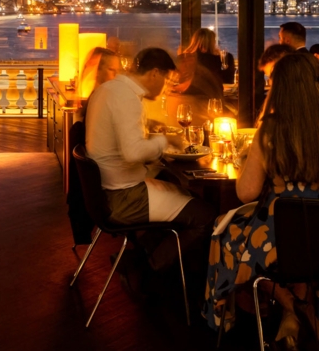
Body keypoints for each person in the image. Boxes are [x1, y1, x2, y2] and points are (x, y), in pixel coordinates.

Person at [204, 53, 319, 346]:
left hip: (272, 239)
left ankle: (283, 302)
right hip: (316, 238)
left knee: (224, 231)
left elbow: (246, 193)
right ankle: (298, 309)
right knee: (302, 248)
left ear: (279, 87)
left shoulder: (270, 131)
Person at [85, 47, 215, 276]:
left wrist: (154, 135)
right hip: (123, 198)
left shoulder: (109, 89)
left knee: (187, 195)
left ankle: (146, 259)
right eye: (166, 80)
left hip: (106, 191)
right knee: (206, 215)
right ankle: (148, 269)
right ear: (155, 73)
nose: (166, 87)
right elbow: (133, 152)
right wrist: (166, 141)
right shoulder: (126, 98)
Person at [175, 28, 224, 100]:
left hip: (186, 99)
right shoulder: (215, 59)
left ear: (194, 41)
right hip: (211, 99)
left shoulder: (184, 58)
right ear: (211, 43)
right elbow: (222, 81)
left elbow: (179, 79)